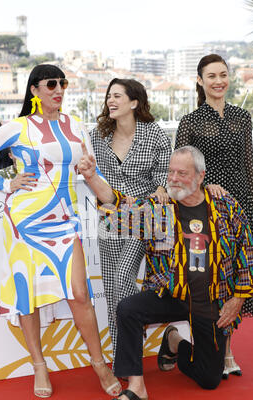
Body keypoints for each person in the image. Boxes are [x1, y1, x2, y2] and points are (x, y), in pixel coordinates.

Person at [0, 64, 121, 399]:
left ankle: (99, 363)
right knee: (29, 297)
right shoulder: (19, 127)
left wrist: (89, 168)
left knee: (80, 294)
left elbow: (88, 164)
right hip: (25, 222)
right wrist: (5, 183)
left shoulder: (75, 126)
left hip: (65, 221)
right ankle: (39, 364)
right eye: (51, 84)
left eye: (63, 83)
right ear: (34, 90)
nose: (58, 89)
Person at [81, 145, 253, 400]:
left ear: (201, 177)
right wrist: (92, 177)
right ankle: (136, 387)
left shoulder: (226, 205)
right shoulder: (160, 208)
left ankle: (174, 341)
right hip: (171, 293)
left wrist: (237, 298)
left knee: (210, 379)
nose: (174, 178)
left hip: (209, 300)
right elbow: (118, 208)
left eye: (182, 173)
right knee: (128, 309)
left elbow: (248, 254)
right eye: (170, 172)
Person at [174, 54, 253, 378]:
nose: (218, 81)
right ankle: (211, 345)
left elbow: (248, 167)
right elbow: (182, 171)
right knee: (217, 277)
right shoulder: (190, 122)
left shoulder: (242, 117)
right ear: (200, 81)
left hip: (240, 206)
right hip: (208, 210)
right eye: (211, 76)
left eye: (223, 75)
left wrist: (252, 210)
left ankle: (228, 350)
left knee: (240, 276)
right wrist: (205, 180)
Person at [90, 78, 171, 362]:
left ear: (134, 102)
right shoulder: (97, 136)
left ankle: (139, 332)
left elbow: (165, 173)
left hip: (146, 215)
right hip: (111, 217)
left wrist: (161, 187)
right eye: (109, 96)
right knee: (112, 288)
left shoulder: (154, 134)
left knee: (124, 278)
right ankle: (122, 356)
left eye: (117, 96)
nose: (111, 101)